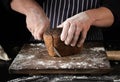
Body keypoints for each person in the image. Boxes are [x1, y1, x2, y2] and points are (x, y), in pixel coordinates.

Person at [4, 0, 120, 48]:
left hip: (91, 46)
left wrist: (90, 16)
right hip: (39, 46)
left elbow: (116, 7)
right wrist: (31, 9)